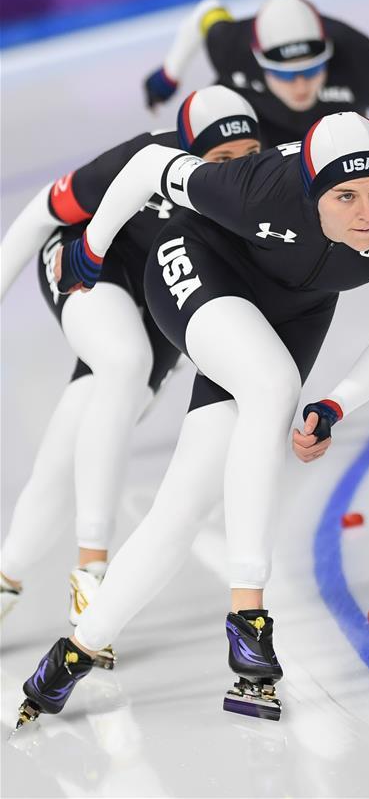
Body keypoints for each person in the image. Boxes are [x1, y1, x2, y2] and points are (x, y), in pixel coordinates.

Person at [17, 111, 369, 724]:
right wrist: (91, 247)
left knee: (185, 505)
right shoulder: (254, 187)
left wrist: (335, 404)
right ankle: (249, 624)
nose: (367, 213)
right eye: (345, 195)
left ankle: (71, 655)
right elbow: (144, 168)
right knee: (271, 384)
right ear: (309, 190)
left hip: (293, 315)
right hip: (197, 265)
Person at [1, 86, 262, 670]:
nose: (237, 174)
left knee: (82, 433)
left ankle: (7, 575)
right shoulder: (141, 160)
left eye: (249, 155)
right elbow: (41, 210)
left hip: (165, 288)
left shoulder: (265, 184)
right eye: (220, 163)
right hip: (89, 258)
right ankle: (91, 567)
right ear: (185, 155)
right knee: (123, 362)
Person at [144, 0, 369, 147]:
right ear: (259, 60)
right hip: (248, 128)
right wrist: (169, 75)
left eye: (312, 70)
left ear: (329, 55)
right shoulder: (232, 46)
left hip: (327, 142)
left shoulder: (363, 65)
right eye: (283, 74)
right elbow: (207, 11)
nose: (299, 86)